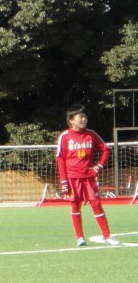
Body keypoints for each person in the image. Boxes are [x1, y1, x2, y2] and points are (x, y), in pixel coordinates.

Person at [56, 104, 120, 247]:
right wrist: (63, 181)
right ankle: (80, 237)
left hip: (89, 178)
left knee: (96, 204)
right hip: (72, 179)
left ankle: (107, 236)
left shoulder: (91, 134)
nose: (84, 119)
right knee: (75, 206)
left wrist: (99, 166)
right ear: (71, 120)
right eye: (80, 117)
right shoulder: (65, 137)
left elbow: (106, 150)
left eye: (85, 117)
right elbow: (60, 159)